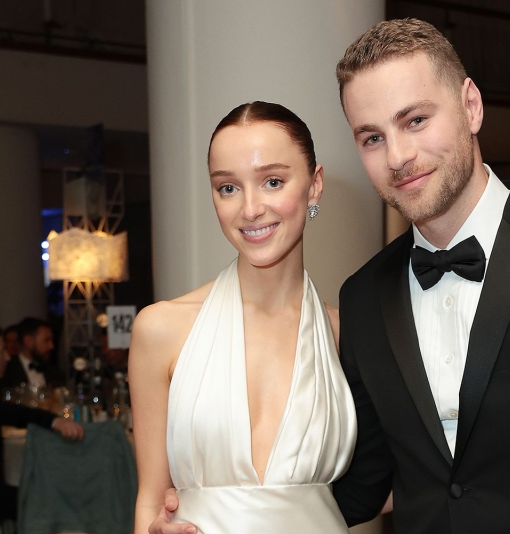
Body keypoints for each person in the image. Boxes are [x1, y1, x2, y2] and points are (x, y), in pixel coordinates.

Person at [150, 18, 510, 534]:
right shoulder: (365, 294)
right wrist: (222, 506)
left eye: (415, 120)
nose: (398, 156)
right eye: (372, 137)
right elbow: (366, 481)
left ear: (471, 106)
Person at [129, 101, 356, 533]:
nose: (250, 209)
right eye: (228, 188)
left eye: (273, 182)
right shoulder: (161, 330)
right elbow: (150, 501)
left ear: (314, 186)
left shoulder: (346, 334)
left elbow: (397, 478)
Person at [0, 320, 83, 529]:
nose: (7, 356)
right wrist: (52, 420)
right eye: (1, 351)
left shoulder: (52, 371)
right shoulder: (3, 380)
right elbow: (6, 411)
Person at [1, 317, 64, 389]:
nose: (51, 346)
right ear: (28, 341)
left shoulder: (54, 372)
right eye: (46, 340)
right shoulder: (6, 371)